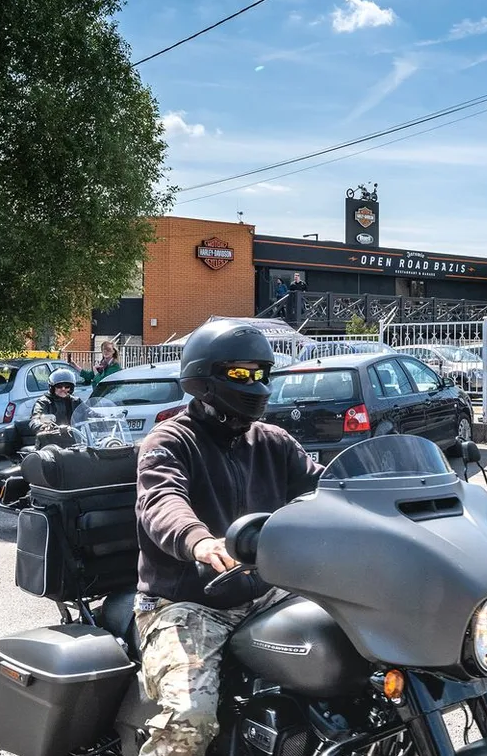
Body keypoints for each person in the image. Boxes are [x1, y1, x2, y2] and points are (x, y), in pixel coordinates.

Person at [133, 319, 323, 756]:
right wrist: (199, 541)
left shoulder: (273, 442)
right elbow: (161, 499)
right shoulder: (170, 441)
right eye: (241, 373)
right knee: (190, 719)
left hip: (268, 593)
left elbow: (324, 488)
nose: (255, 383)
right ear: (204, 377)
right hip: (187, 603)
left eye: (261, 373)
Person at [28, 369, 83, 447]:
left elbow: (88, 413)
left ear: (71, 388)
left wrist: (102, 418)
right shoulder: (44, 402)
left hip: (74, 441)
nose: (63, 389)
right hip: (49, 442)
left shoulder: (76, 401)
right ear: (52, 387)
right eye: (59, 386)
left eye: (67, 386)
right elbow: (35, 418)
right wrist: (42, 426)